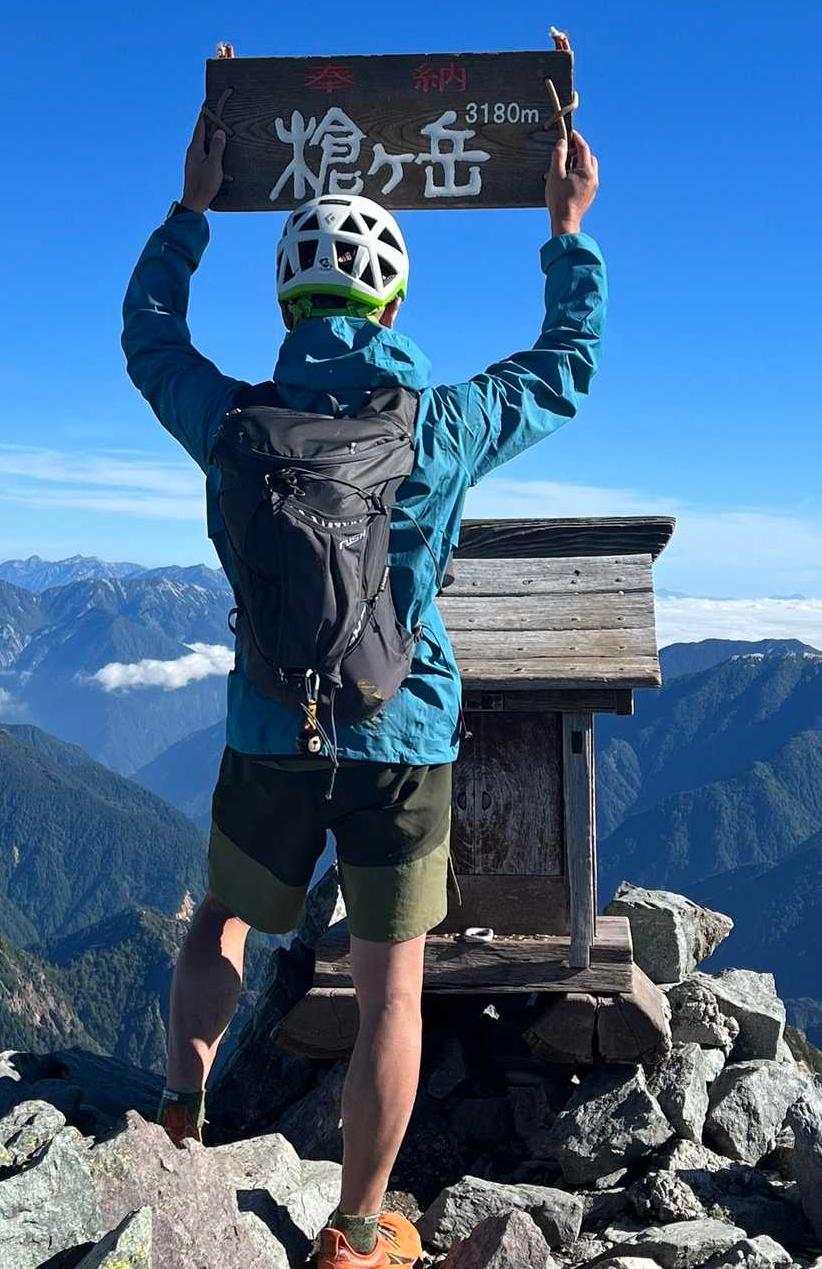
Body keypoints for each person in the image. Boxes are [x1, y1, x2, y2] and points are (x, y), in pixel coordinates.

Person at [121, 104, 603, 1268]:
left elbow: (150, 341)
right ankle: (354, 1230)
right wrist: (566, 234)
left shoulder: (233, 423)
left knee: (222, 919)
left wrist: (190, 211)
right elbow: (565, 369)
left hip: (267, 725)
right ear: (391, 306)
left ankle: (179, 1121)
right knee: (394, 991)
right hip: (402, 734)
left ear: (288, 304)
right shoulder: (446, 426)